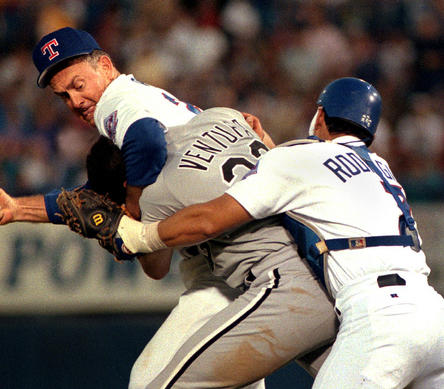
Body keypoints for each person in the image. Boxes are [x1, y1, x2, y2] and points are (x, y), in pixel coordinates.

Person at [0, 27, 283, 389]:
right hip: (237, 238)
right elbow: (92, 198)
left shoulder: (116, 102)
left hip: (240, 247)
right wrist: (19, 209)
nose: (74, 101)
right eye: (63, 96)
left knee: (151, 379)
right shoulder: (147, 99)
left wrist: (135, 206)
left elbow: (147, 142)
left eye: (78, 84)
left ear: (105, 66)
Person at [117, 77, 444, 388]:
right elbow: (308, 184)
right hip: (432, 312)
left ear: (320, 115)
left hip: (378, 313)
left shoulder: (302, 157)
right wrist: (269, 148)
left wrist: (141, 236)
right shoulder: (380, 165)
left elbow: (209, 220)